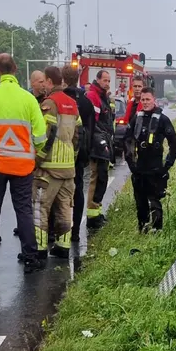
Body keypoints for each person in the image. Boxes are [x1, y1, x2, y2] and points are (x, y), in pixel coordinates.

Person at [0, 54, 47, 273]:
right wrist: (35, 153)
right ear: (16, 69)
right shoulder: (28, 99)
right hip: (23, 167)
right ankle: (30, 256)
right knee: (24, 211)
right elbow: (40, 134)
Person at [34, 66, 81, 259]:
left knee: (41, 207)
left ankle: (40, 248)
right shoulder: (72, 104)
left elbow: (47, 134)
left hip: (49, 168)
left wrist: (38, 159)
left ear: (50, 81)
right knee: (64, 208)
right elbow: (79, 136)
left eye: (44, 81)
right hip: (68, 167)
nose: (43, 84)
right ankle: (63, 247)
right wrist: (73, 157)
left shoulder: (49, 104)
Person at [124, 87, 176, 232]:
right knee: (140, 203)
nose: (145, 102)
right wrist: (131, 163)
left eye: (148, 99)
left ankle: (157, 231)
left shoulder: (162, 120)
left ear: (154, 99)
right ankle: (142, 229)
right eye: (142, 100)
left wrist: (166, 166)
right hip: (139, 168)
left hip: (155, 169)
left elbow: (174, 145)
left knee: (154, 202)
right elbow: (127, 140)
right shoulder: (137, 118)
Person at [62, 66, 94, 242]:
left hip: (62, 153)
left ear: (63, 79)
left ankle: (60, 231)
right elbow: (91, 128)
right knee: (78, 190)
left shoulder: (59, 99)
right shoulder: (86, 102)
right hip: (81, 153)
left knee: (61, 193)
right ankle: (74, 232)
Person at [85, 70, 114, 230]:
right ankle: (92, 216)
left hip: (104, 142)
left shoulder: (103, 96)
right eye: (105, 80)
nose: (107, 83)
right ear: (97, 80)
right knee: (96, 179)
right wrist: (101, 142)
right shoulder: (93, 96)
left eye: (109, 80)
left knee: (102, 178)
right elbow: (93, 124)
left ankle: (96, 212)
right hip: (98, 144)